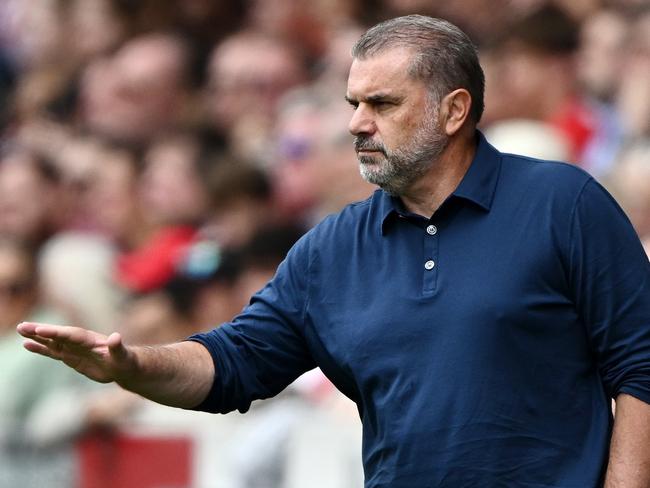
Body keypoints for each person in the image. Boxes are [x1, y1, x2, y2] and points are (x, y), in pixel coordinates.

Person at [17, 15, 650, 487]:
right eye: (353, 103)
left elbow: (641, 365)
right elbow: (233, 364)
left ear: (455, 110)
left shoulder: (562, 202)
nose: (356, 123)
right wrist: (131, 366)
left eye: (382, 104)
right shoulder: (330, 249)